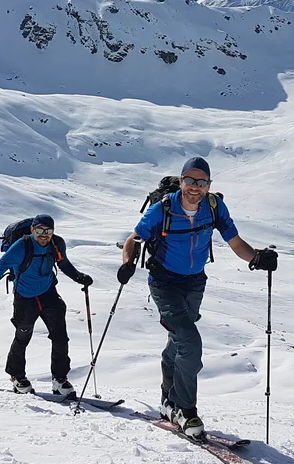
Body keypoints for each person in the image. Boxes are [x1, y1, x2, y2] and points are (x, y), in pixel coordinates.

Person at [118, 157, 277, 440]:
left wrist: (256, 258)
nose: (195, 187)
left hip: (194, 283)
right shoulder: (162, 209)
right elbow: (134, 238)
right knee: (190, 343)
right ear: (181, 181)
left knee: (178, 340)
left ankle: (167, 400)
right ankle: (184, 409)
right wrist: (128, 263)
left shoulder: (214, 207)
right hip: (164, 283)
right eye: (190, 180)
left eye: (201, 182)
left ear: (209, 185)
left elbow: (235, 242)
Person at [0, 214, 93, 398]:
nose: (44, 234)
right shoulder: (21, 246)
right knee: (23, 336)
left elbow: (63, 263)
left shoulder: (57, 244)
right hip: (25, 297)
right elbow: (0, 267)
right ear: (32, 230)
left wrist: (78, 276)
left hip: (48, 293)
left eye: (48, 230)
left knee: (60, 336)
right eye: (39, 230)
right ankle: (17, 376)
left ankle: (59, 379)